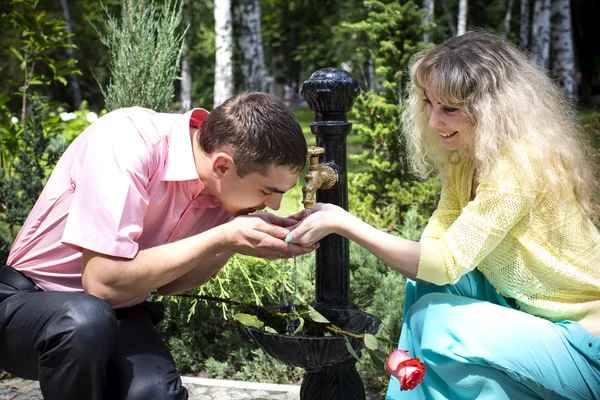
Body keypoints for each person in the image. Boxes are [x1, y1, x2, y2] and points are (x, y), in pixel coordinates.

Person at [286, 31, 600, 399]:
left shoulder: (518, 168)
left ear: (492, 109)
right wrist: (434, 264)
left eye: (449, 108)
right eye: (428, 103)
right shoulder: (467, 158)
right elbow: (436, 250)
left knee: (435, 319)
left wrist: (344, 222)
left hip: (585, 342)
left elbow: (441, 260)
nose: (434, 121)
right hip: (536, 318)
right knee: (426, 288)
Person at [0, 91, 317, 400]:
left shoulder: (226, 191)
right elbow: (101, 282)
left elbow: (172, 284)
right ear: (222, 165)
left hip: (116, 313)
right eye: (267, 190)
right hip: (27, 305)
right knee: (85, 320)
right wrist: (223, 236)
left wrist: (233, 241)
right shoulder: (128, 141)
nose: (274, 205)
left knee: (153, 392)